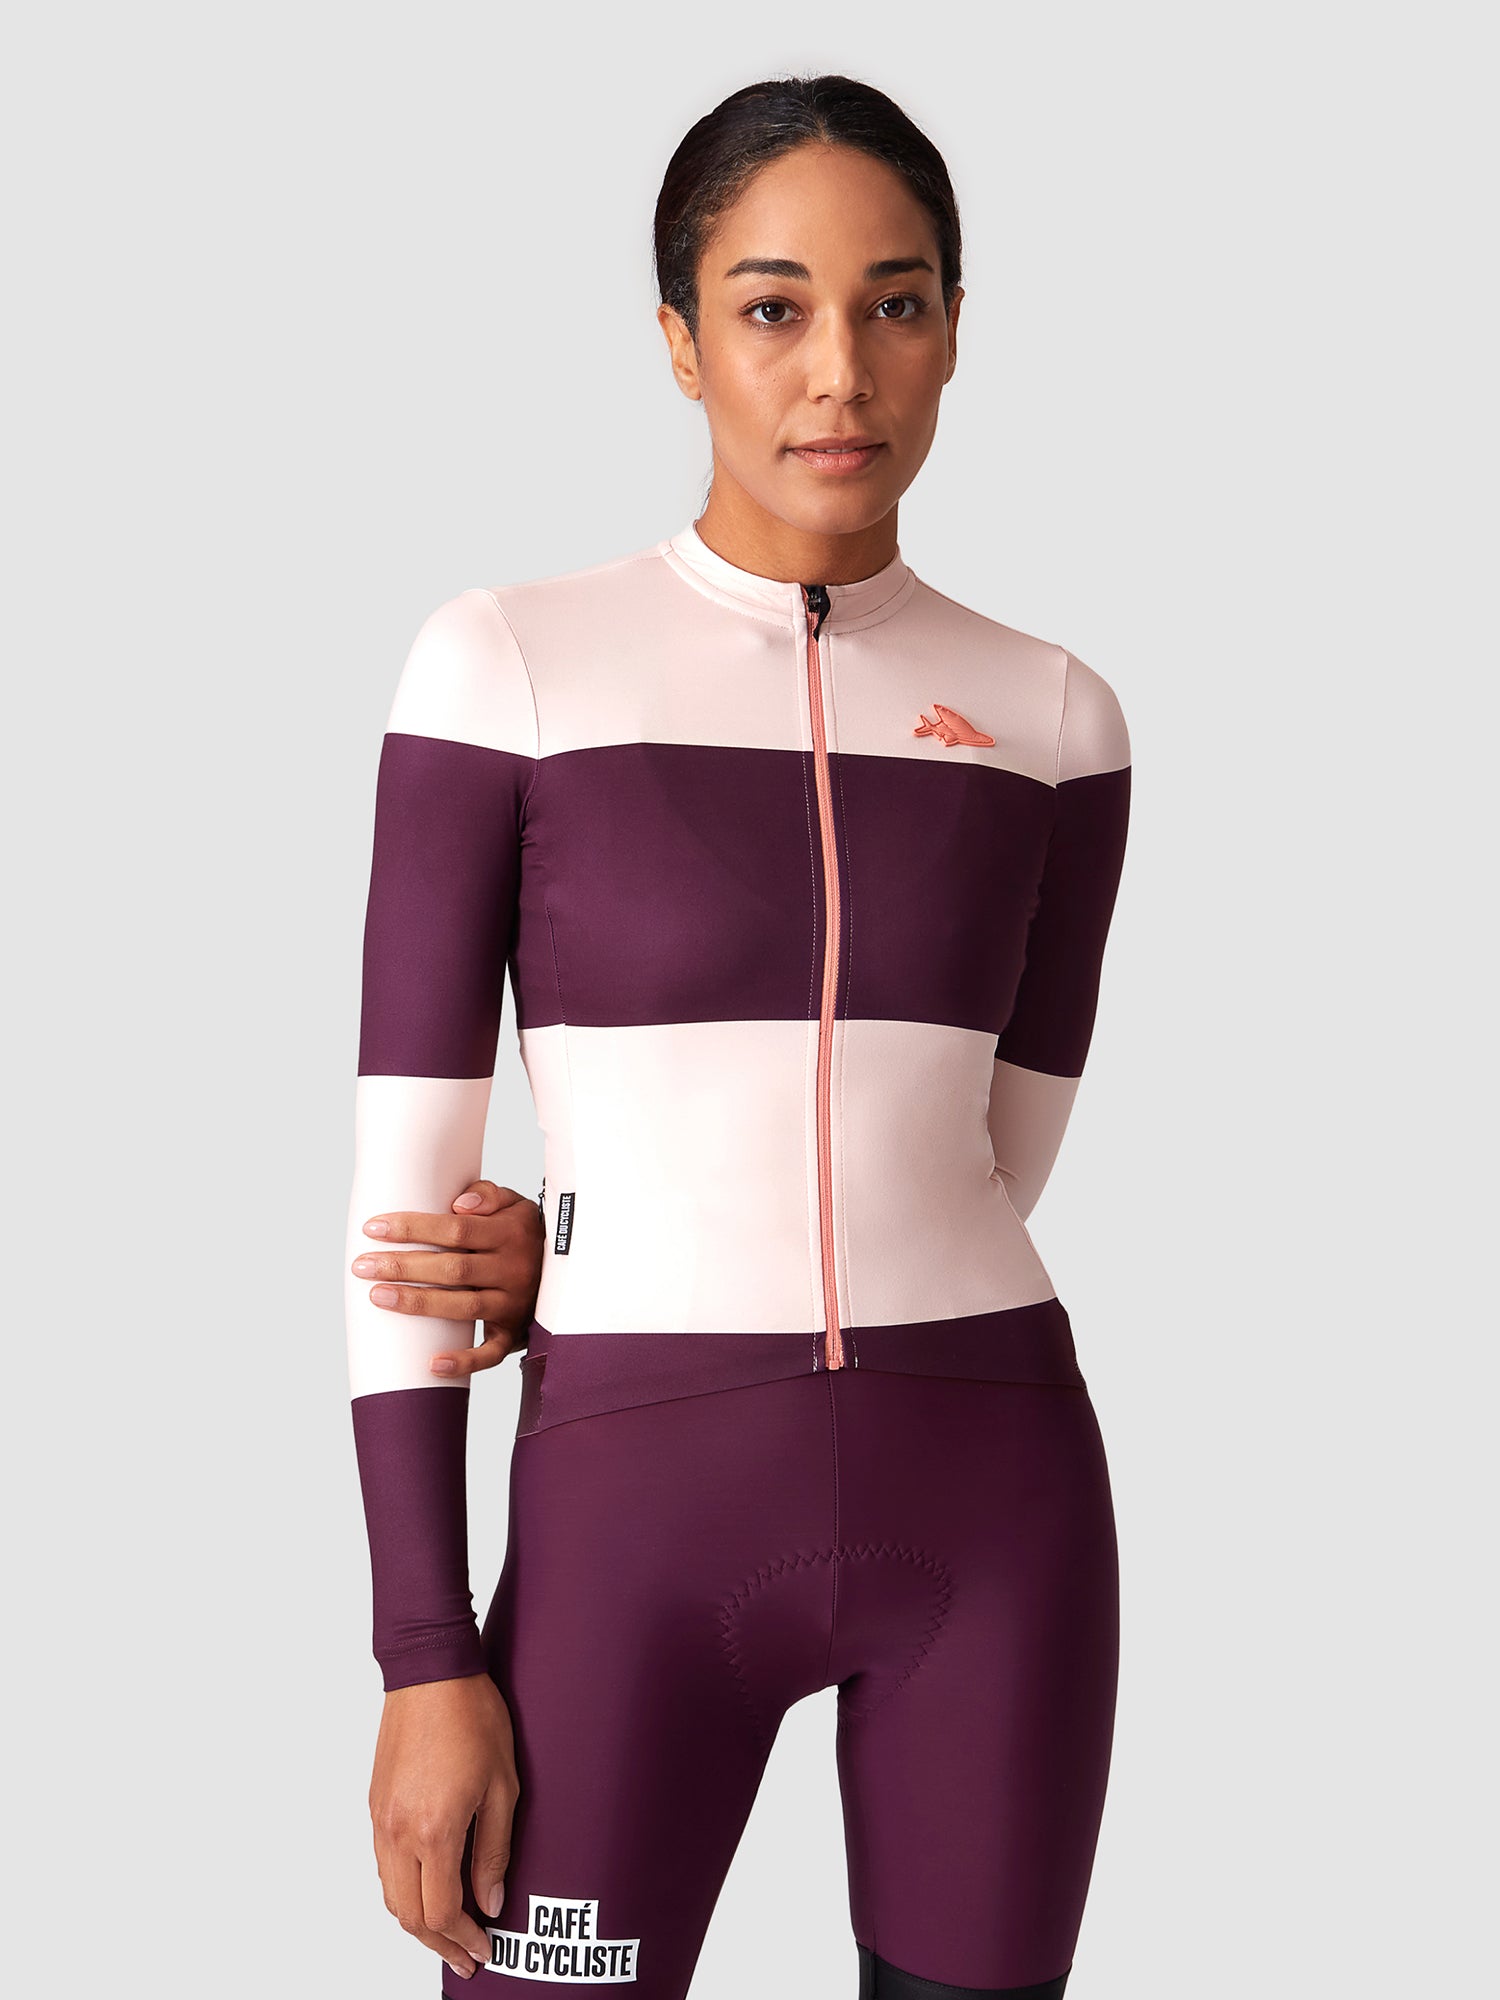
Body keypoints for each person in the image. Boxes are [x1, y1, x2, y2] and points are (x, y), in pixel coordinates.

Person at [344, 73, 1132, 2000]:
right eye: (773, 307)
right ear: (681, 340)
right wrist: (424, 1656)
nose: (839, 371)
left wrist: (596, 1235)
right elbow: (398, 1217)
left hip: (998, 1505)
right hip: (634, 1529)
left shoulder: (1053, 717)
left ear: (957, 330)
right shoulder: (508, 667)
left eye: (896, 303)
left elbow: (983, 1161)